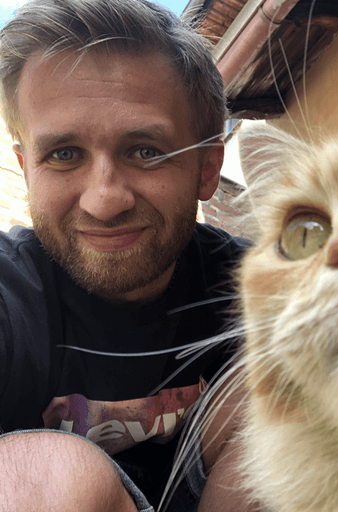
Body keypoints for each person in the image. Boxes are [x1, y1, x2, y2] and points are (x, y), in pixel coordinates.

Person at [0, 0, 252, 510]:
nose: (104, 200)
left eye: (146, 151)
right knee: (49, 477)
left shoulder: (261, 286)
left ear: (207, 169)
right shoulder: (11, 294)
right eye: (64, 154)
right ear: (27, 169)